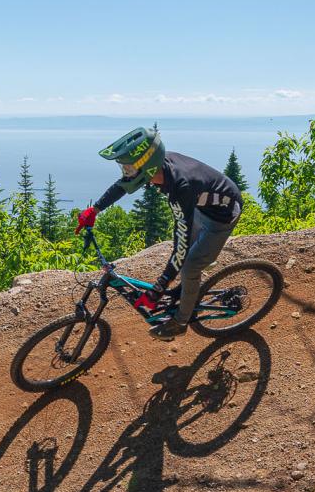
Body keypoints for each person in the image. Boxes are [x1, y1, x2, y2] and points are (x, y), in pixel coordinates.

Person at [74, 125, 241, 339]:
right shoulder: (159, 168)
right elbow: (123, 185)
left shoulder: (181, 187)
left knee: (189, 265)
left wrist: (159, 288)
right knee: (185, 258)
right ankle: (187, 287)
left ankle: (180, 321)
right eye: (125, 169)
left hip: (222, 215)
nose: (126, 173)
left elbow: (180, 246)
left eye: (129, 169)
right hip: (201, 206)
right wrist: (95, 209)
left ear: (148, 166)